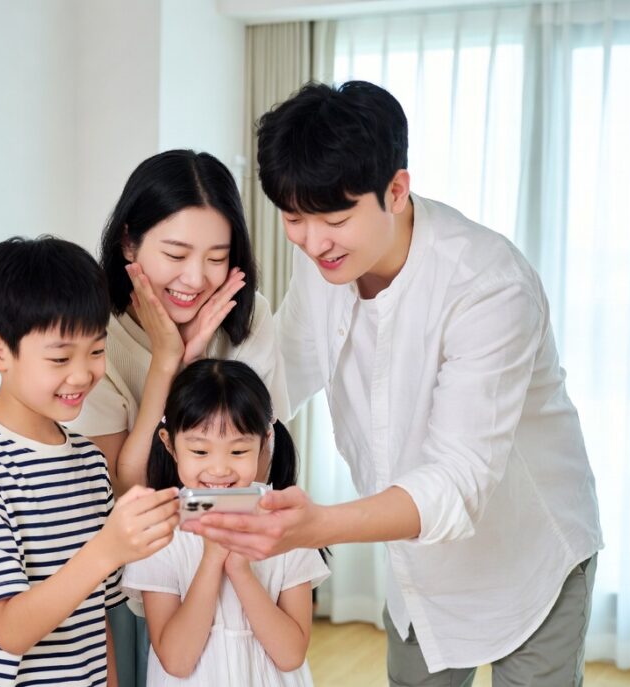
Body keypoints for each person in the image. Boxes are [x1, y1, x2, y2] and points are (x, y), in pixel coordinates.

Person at [185, 81, 604, 684]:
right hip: (417, 570)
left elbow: (457, 481)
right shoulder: (322, 261)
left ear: (397, 190)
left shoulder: (488, 284)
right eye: (294, 218)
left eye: (335, 219)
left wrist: (317, 525)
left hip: (528, 556)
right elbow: (277, 384)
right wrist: (200, 370)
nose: (313, 241)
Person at [0, 236, 180, 687]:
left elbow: (96, 621)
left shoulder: (89, 464)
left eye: (96, 351)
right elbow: (10, 631)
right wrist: (107, 548)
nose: (82, 374)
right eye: (60, 358)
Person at [68, 149, 288, 686]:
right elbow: (128, 490)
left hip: (234, 558)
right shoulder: (98, 332)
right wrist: (172, 363)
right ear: (128, 242)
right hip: (136, 569)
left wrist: (194, 364)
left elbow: (259, 468)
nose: (196, 278)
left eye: (217, 257)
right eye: (176, 253)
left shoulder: (247, 315)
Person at [122, 359, 329, 686]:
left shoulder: (285, 523)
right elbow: (176, 661)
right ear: (169, 443)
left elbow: (291, 655)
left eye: (237, 451)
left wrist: (240, 570)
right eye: (200, 451)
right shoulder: (159, 531)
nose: (219, 469)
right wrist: (212, 559)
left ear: (264, 441)